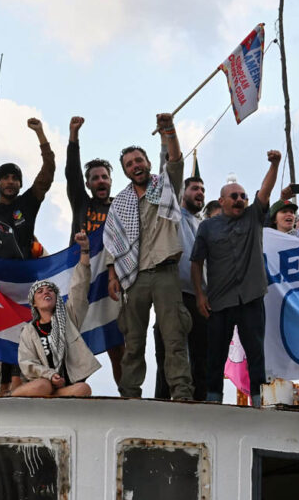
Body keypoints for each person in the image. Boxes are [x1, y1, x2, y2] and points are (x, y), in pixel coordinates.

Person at [104, 112, 194, 401]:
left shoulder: (164, 186)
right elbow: (113, 243)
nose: (135, 166)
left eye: (138, 160)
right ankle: (130, 397)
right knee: (133, 342)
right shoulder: (120, 202)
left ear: (147, 162)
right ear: (126, 171)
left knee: (174, 338)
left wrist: (169, 131)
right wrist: (112, 276)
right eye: (129, 164)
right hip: (135, 277)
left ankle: (182, 395)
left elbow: (176, 161)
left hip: (165, 273)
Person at [0, 118, 55, 396]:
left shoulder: (26, 204)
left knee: (24, 341)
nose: (10, 182)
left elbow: (48, 173)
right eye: (5, 177)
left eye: (15, 177)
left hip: (23, 288)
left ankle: (21, 391)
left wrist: (41, 135)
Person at [191, 150, 282, 405]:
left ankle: (257, 402)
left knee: (256, 355)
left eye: (243, 196)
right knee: (215, 356)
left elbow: (265, 191)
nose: (240, 199)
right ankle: (213, 402)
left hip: (251, 299)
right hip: (219, 303)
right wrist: (200, 294)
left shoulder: (254, 218)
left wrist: (274, 164)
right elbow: (196, 262)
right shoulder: (207, 227)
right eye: (235, 196)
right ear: (221, 201)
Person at [65, 116, 125, 384]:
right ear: (88, 184)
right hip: (82, 276)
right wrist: (73, 137)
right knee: (75, 337)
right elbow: (72, 173)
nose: (100, 181)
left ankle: (127, 395)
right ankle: (77, 392)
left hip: (113, 279)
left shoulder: (121, 208)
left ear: (111, 180)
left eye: (104, 177)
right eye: (94, 178)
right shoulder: (81, 202)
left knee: (118, 341)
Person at [14, 231, 101, 397]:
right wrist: (50, 375)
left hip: (64, 388)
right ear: (34, 303)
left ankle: (52, 399)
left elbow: (79, 287)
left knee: (84, 389)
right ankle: (12, 398)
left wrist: (84, 251)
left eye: (50, 290)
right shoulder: (29, 330)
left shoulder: (68, 317)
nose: (46, 292)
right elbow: (27, 362)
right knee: (42, 386)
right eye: (40, 291)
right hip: (42, 383)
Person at [154, 175, 208, 400]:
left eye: (203, 190)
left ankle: (200, 406)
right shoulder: (173, 215)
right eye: (195, 188)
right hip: (174, 296)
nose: (200, 193)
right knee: (170, 356)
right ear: (183, 193)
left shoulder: (203, 225)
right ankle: (164, 406)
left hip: (200, 299)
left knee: (200, 358)